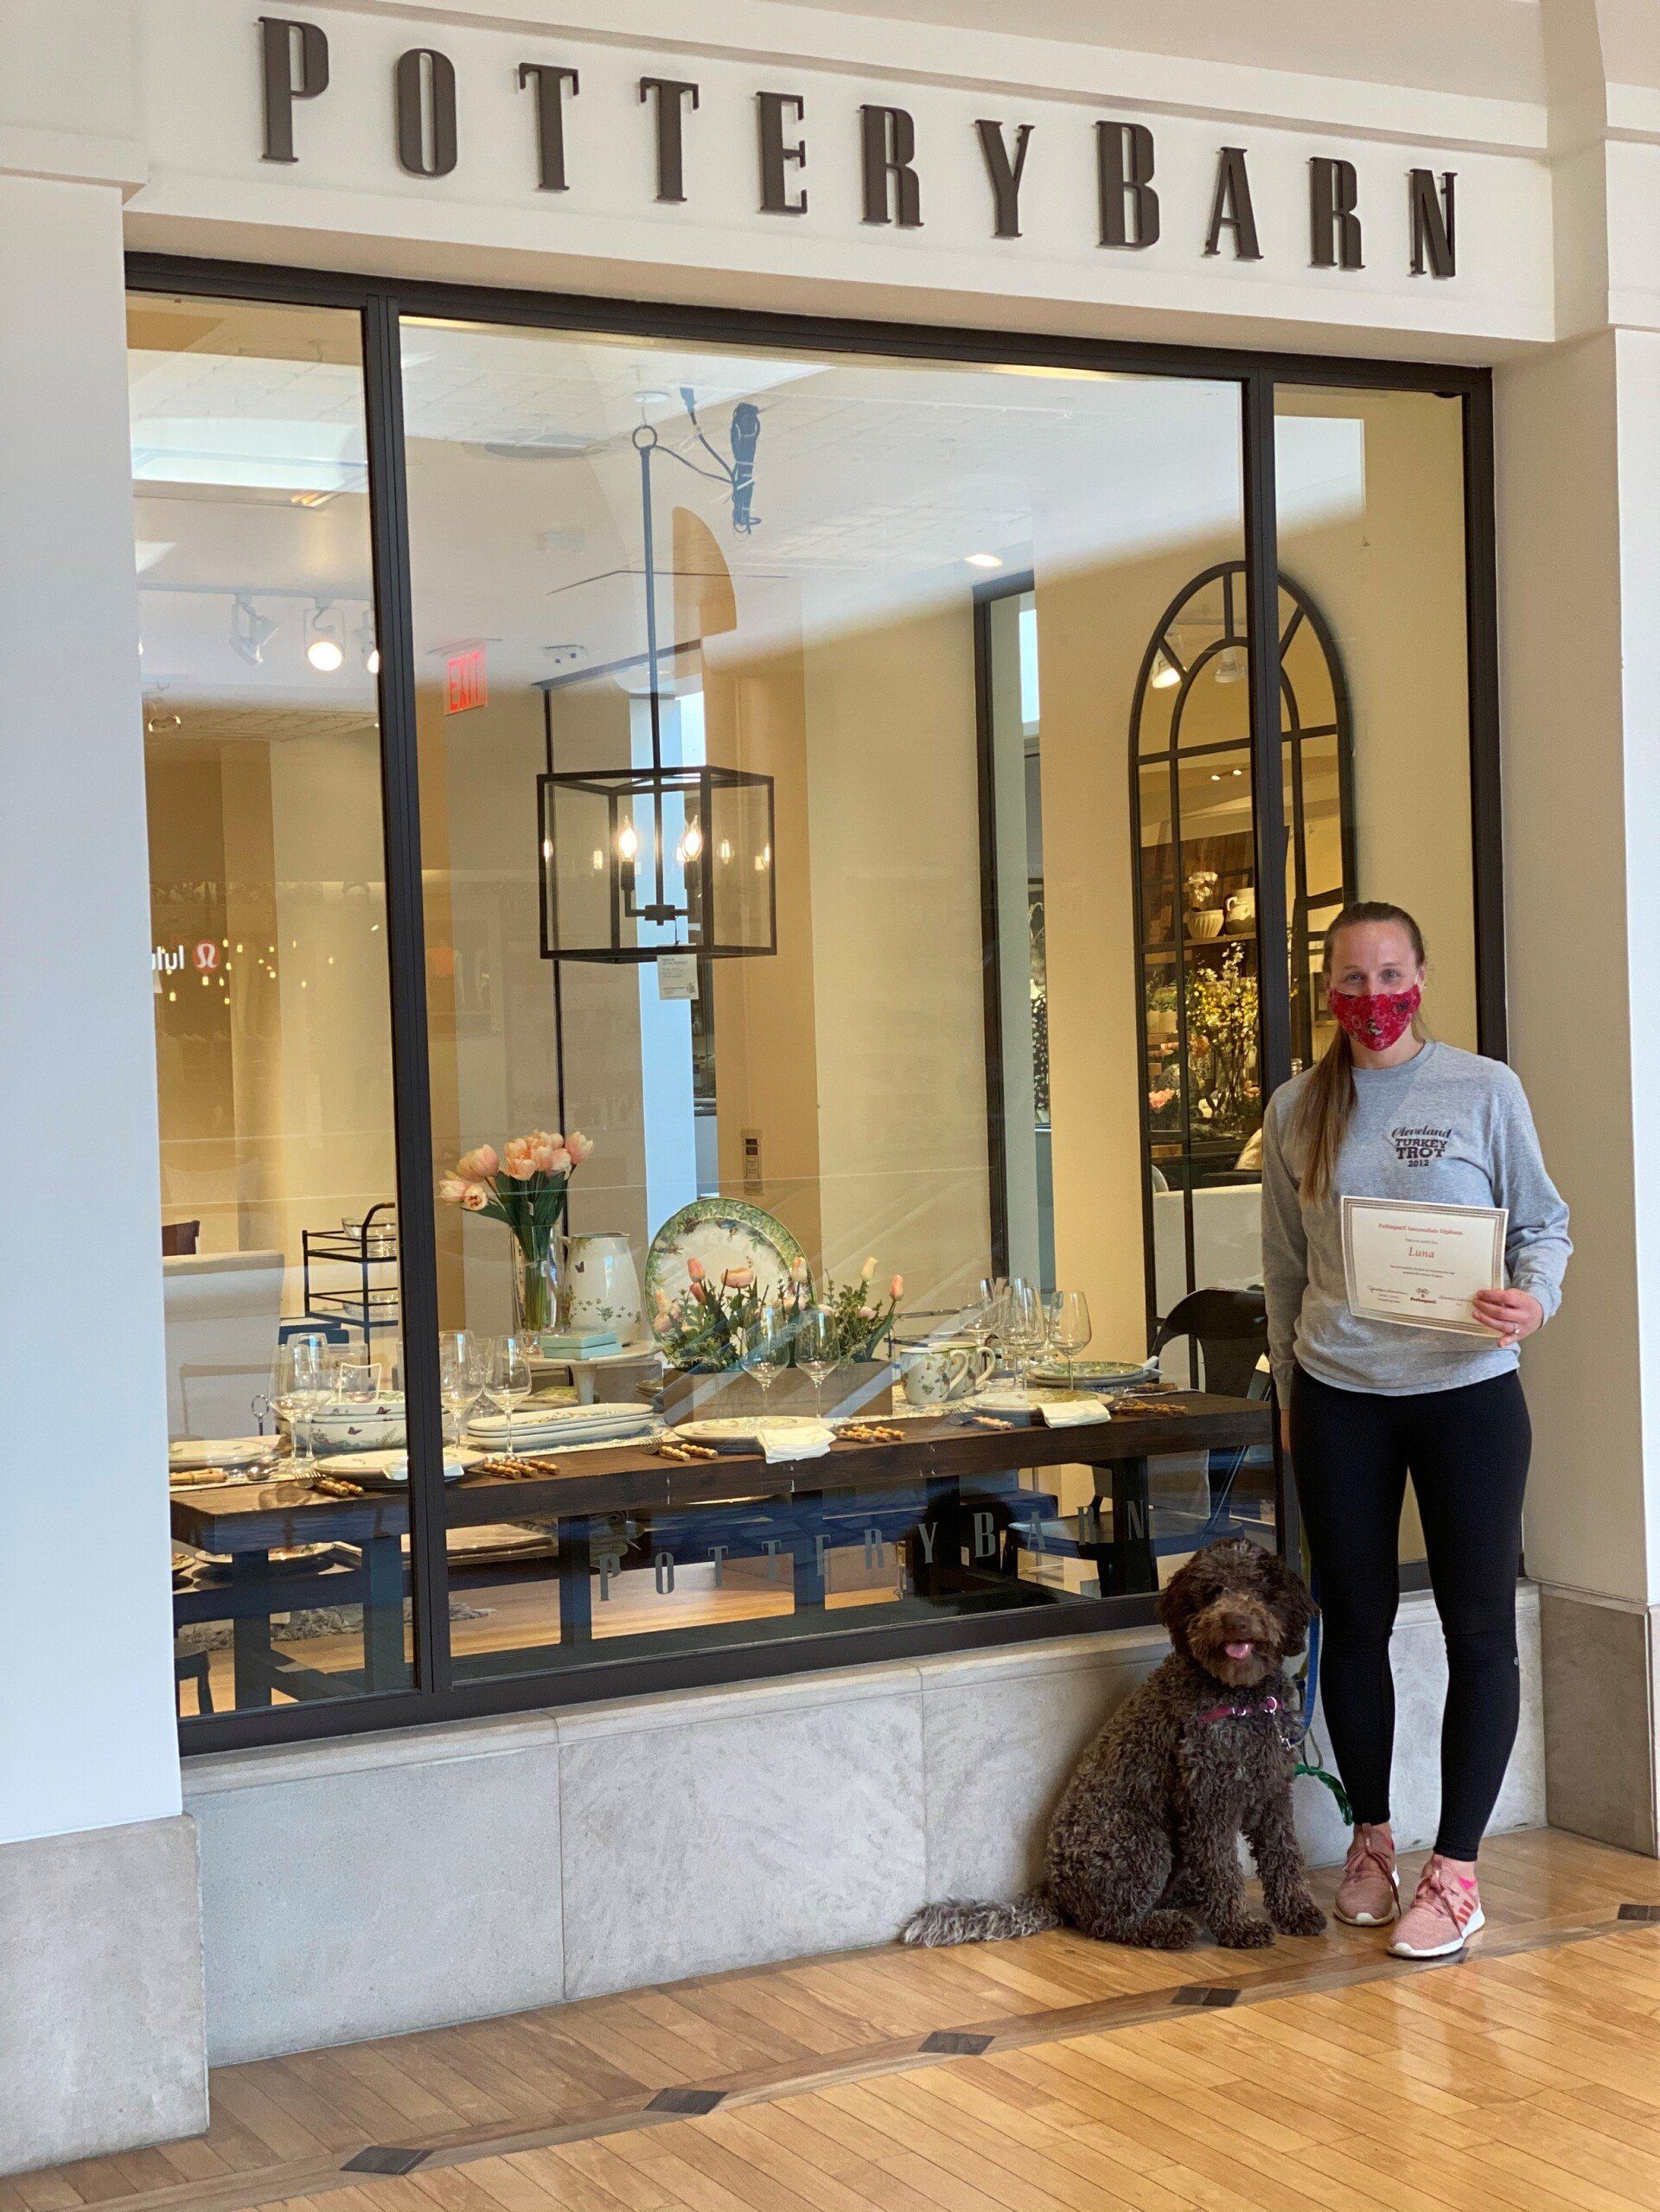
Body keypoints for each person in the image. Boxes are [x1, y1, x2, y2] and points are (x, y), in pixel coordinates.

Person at [1261, 900, 1569, 1959]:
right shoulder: (1298, 1108)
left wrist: (1535, 1299)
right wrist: (1294, 1402)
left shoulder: (1486, 1090)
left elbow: (1544, 1225)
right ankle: (1371, 1840)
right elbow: (1284, 1274)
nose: (1372, 999)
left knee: (1480, 1628)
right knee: (1354, 1623)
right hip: (1342, 1396)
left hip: (1470, 1395)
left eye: (1391, 975)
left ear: (1422, 979)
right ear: (1328, 992)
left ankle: (1458, 1871)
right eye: (1352, 980)